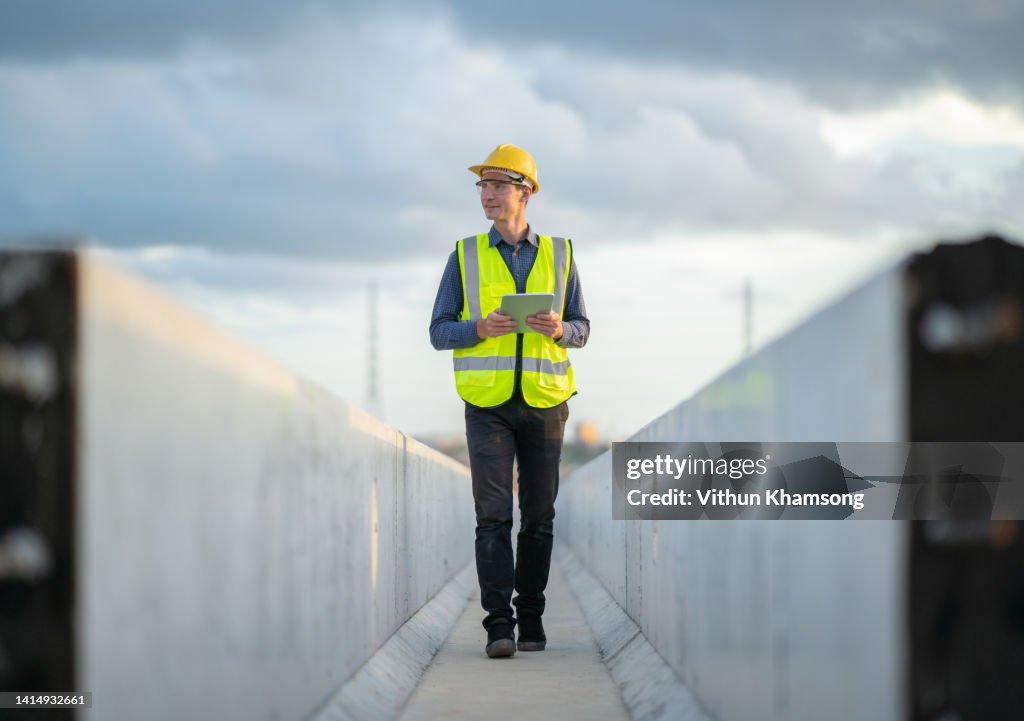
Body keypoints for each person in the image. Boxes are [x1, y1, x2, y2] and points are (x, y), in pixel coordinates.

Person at [429, 144, 590, 658]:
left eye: (498, 186)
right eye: (483, 186)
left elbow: (583, 328)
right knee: (492, 515)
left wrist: (560, 328)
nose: (487, 195)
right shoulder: (464, 254)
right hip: (488, 404)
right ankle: (499, 626)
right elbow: (438, 331)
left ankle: (532, 620)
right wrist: (477, 328)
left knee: (539, 516)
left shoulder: (561, 254)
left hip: (545, 401)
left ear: (526, 193)